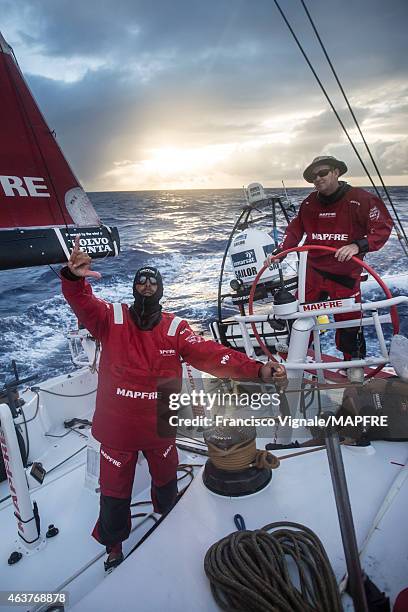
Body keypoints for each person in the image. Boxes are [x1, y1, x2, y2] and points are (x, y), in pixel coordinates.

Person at [61, 236, 286, 570]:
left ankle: (166, 516)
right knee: (113, 493)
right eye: (141, 279)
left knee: (166, 478)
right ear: (134, 287)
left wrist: (258, 370)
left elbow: (214, 356)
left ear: (161, 289)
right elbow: (82, 302)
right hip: (117, 431)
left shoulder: (176, 328)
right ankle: (113, 545)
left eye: (154, 280)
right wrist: (74, 279)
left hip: (159, 426)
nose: (147, 284)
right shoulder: (110, 318)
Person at [268, 155, 393, 381]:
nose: (317, 179)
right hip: (313, 274)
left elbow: (382, 227)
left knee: (349, 324)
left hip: (345, 276)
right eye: (313, 176)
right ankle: (296, 360)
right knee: (299, 317)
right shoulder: (309, 204)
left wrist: (357, 245)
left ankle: (353, 365)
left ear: (336, 172)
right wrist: (280, 251)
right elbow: (295, 231)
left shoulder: (361, 199)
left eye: (322, 173)